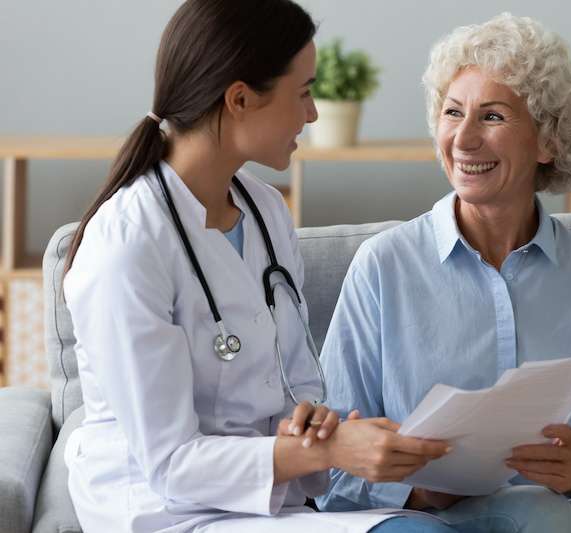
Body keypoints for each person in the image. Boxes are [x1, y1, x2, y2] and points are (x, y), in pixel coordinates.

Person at [62, 1, 453, 531]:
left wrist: (316, 427)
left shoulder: (265, 211)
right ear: (241, 99)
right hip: (165, 511)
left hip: (264, 503)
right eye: (304, 92)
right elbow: (171, 464)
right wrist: (329, 452)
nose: (312, 114)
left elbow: (295, 388)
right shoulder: (127, 243)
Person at [317, 13, 571, 532]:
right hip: (431, 517)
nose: (463, 139)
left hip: (561, 509)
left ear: (548, 141)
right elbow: (328, 462)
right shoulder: (383, 265)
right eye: (452, 112)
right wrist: (413, 486)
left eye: (493, 117)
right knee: (541, 512)